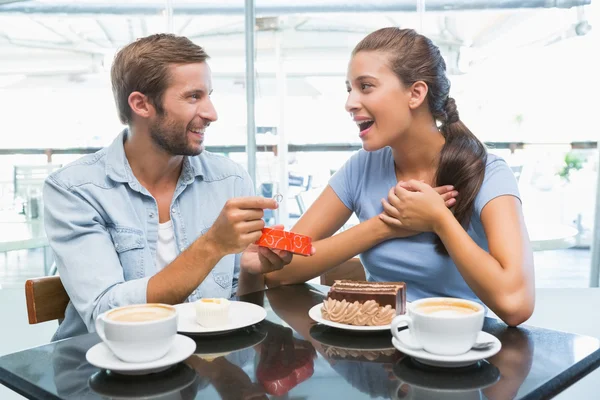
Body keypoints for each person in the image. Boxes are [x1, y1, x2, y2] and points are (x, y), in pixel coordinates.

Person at [266, 27, 535, 327]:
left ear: (416, 93)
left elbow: (517, 304)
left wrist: (439, 220)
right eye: (349, 89)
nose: (350, 102)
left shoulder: (489, 174)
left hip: (455, 352)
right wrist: (384, 227)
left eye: (366, 86)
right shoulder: (361, 167)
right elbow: (280, 263)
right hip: (376, 352)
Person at [43, 33, 295, 341]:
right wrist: (213, 245)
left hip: (201, 366)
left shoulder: (230, 179)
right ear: (141, 104)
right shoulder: (74, 189)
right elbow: (105, 316)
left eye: (209, 95)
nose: (211, 113)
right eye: (193, 97)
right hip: (105, 369)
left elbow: (234, 306)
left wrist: (251, 270)